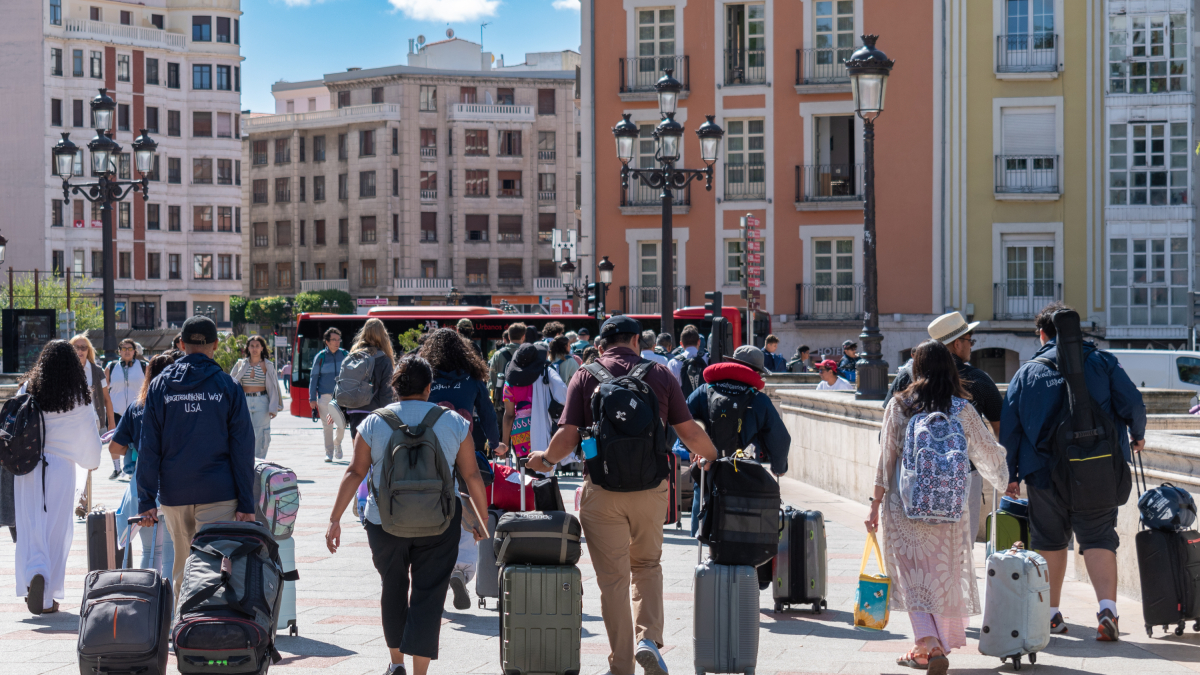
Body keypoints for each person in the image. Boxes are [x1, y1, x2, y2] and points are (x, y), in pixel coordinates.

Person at [524, 315, 719, 675]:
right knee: (647, 565)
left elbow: (567, 438)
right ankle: (649, 639)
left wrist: (545, 460)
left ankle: (622, 666)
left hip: (602, 490)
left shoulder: (585, 375)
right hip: (651, 489)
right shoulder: (660, 374)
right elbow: (688, 431)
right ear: (636, 342)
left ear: (602, 344)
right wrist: (712, 456)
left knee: (613, 580)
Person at [324, 355, 489, 675]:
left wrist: (335, 519)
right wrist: (480, 522)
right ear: (429, 388)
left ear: (395, 387)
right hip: (440, 523)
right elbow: (472, 477)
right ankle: (419, 673)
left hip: (384, 522)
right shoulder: (454, 422)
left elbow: (355, 471)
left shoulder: (373, 422)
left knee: (393, 586)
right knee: (429, 595)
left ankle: (396, 663)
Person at [1000, 302, 1146, 641]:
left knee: (1050, 540)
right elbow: (1133, 403)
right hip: (1097, 469)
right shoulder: (1103, 361)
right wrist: (1137, 434)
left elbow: (1011, 429)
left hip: (1043, 473)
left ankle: (1050, 615)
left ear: (1042, 335)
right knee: (1098, 537)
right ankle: (1107, 611)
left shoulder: (1027, 373)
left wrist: (1010, 474)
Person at [866, 340, 1009, 674]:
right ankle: (931, 646)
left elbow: (885, 460)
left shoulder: (900, 405)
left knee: (912, 575)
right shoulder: (961, 407)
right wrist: (1005, 478)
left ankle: (929, 644)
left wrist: (874, 504)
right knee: (940, 575)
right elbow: (989, 451)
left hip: (905, 505)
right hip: (949, 506)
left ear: (916, 368)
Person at [135, 316, 257, 600]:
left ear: (181, 344)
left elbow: (149, 446)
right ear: (215, 344)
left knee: (182, 564)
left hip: (174, 491)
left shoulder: (159, 386)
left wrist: (145, 500)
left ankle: (182, 627)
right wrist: (247, 503)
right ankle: (209, 633)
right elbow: (243, 449)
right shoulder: (228, 386)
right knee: (213, 566)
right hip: (218, 491)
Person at [884, 312, 1004, 543]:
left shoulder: (905, 377)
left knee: (919, 553)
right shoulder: (977, 380)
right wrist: (1005, 473)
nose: (971, 346)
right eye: (970, 340)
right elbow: (1001, 428)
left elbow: (887, 433)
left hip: (911, 478)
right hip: (962, 478)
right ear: (957, 344)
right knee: (957, 551)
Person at [419, 328, 506, 610]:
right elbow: (489, 413)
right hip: (465, 451)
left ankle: (433, 573)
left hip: (429, 454)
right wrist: (496, 443)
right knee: (466, 512)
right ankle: (460, 570)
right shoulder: (472, 378)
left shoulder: (425, 377)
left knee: (432, 512)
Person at [15, 340, 102, 615]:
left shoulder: (29, 388)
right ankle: (48, 595)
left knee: (31, 524)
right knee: (57, 529)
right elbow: (90, 437)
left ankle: (34, 573)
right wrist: (91, 460)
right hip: (62, 468)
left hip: (29, 466)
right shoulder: (77, 396)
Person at [684, 345, 791, 532]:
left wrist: (692, 449)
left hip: (705, 465)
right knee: (736, 512)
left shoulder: (704, 391)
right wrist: (778, 467)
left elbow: (681, 421)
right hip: (738, 467)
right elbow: (780, 437)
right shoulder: (758, 398)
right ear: (756, 372)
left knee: (701, 501)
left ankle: (699, 542)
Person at [109, 353, 177, 588]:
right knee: (170, 552)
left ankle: (146, 604)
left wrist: (133, 449)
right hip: (172, 484)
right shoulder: (178, 404)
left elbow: (114, 448)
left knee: (149, 550)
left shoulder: (136, 406)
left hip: (143, 486)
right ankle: (169, 610)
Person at [501, 343, 567, 466]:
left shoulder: (510, 383)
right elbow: (563, 391)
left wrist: (505, 444)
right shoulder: (543, 375)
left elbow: (509, 415)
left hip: (519, 431)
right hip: (542, 426)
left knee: (524, 472)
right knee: (544, 469)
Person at [230, 335, 284, 459]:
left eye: (257, 346)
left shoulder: (268, 365)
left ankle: (259, 462)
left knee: (261, 433)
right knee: (242, 432)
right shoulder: (240, 364)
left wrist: (274, 407)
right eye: (252, 346)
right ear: (247, 348)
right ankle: (245, 461)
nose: (254, 349)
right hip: (244, 401)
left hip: (262, 401)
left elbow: (275, 387)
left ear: (262, 348)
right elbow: (231, 383)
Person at [344, 318, 397, 438]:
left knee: (358, 453)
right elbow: (386, 392)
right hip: (374, 412)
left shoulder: (353, 355)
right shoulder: (384, 360)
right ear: (382, 335)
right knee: (375, 454)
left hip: (354, 410)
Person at [105, 338, 145, 479]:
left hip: (137, 411)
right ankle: (117, 469)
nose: (127, 351)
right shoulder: (112, 366)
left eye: (130, 349)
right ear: (119, 351)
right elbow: (105, 388)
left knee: (134, 441)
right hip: (117, 410)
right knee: (115, 440)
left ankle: (132, 466)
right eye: (123, 349)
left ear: (135, 351)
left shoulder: (143, 366)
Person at [310, 327, 349, 461]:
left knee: (342, 424)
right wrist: (312, 398)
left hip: (342, 396)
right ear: (327, 341)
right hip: (324, 396)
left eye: (339, 339)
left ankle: (337, 442)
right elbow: (313, 377)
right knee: (327, 426)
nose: (337, 342)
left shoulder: (345, 355)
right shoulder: (320, 357)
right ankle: (329, 452)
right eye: (334, 340)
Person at [70, 334, 115, 434]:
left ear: (88, 350)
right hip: (71, 422)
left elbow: (107, 399)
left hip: (93, 421)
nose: (80, 351)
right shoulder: (65, 371)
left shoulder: (97, 371)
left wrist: (111, 423)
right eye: (76, 347)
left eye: (83, 347)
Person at [488, 323, 524, 416]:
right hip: (523, 403)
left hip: (502, 402)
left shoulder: (498, 354)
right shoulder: (527, 353)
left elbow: (491, 381)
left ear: (508, 336)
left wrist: (493, 402)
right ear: (523, 337)